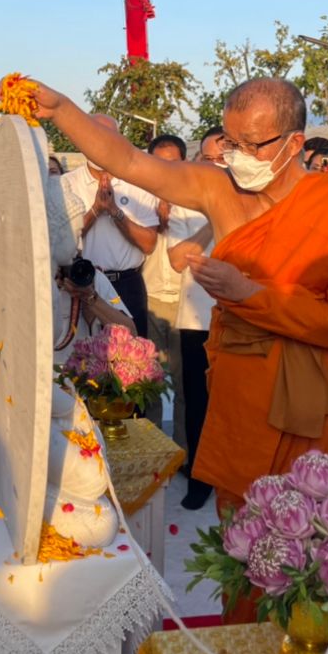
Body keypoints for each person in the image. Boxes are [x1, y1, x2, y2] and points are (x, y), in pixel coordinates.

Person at [1, 76, 328, 524]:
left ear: (294, 142)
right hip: (243, 397)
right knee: (243, 535)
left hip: (316, 406)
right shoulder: (218, 189)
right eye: (231, 143)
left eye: (253, 145)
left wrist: (249, 293)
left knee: (309, 541)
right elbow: (129, 160)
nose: (238, 158)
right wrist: (61, 110)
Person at [166, 127, 224, 510]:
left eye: (225, 159)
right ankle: (201, 477)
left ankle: (236, 471)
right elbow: (176, 259)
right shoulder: (185, 204)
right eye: (209, 160)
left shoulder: (262, 199)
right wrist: (215, 216)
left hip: (248, 316)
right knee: (199, 402)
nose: (218, 167)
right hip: (197, 316)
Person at [60, 115, 158, 338]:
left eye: (108, 138)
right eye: (94, 137)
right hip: (82, 284)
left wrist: (114, 211)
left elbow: (149, 243)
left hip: (127, 284)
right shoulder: (66, 184)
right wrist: (95, 210)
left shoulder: (138, 183)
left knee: (132, 361)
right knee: (84, 361)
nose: (101, 145)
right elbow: (60, 241)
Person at [142, 134, 188, 443]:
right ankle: (154, 455)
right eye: (159, 163)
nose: (166, 170)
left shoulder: (196, 202)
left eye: (173, 163)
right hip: (149, 300)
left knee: (186, 386)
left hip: (187, 305)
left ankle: (186, 453)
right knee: (148, 385)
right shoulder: (138, 198)